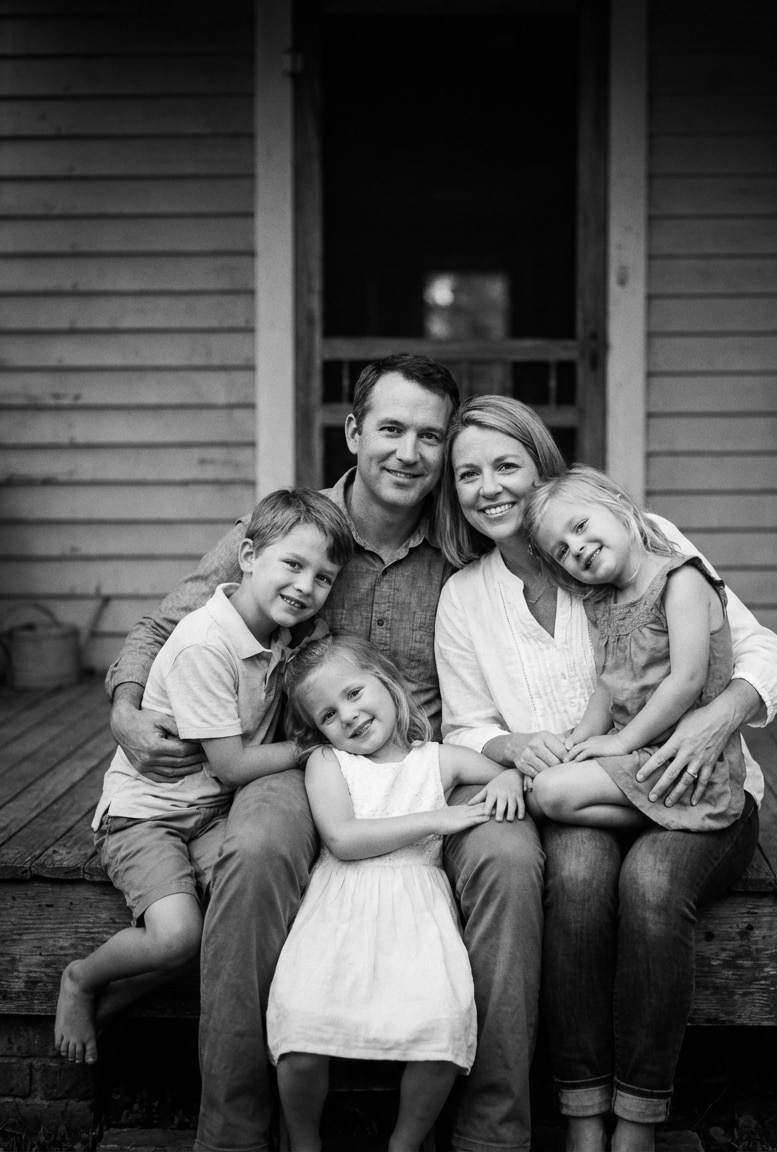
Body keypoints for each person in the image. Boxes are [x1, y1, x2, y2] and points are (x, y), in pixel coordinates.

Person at [105, 354, 545, 1152]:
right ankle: (236, 1131)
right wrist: (127, 707)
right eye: (391, 429)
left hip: (430, 759)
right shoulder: (293, 530)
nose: (409, 452)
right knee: (255, 849)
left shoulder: (461, 538)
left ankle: (490, 1131)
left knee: (511, 861)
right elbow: (167, 623)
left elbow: (565, 549)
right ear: (352, 432)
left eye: (430, 436)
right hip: (303, 756)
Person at [432, 395, 777, 1152]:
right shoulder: (465, 595)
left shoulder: (641, 543)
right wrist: (515, 749)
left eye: (507, 465)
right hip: (589, 793)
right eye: (468, 474)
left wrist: (718, 716)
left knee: (653, 886)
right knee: (578, 883)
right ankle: (582, 1113)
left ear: (542, 467)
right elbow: (468, 724)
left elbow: (761, 650)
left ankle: (639, 1120)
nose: (489, 487)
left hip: (696, 782)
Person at [56, 488, 353, 1067]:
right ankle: (82, 979)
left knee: (249, 910)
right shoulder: (204, 644)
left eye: (323, 578)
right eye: (293, 565)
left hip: (209, 813)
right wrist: (311, 746)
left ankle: (115, 1002)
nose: (305, 586)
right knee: (177, 936)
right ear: (247, 556)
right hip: (146, 817)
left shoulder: (278, 633)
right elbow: (232, 765)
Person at [266, 632, 524, 1152]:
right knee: (302, 1030)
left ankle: (405, 1143)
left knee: (441, 1031)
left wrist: (510, 779)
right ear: (317, 730)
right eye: (329, 715)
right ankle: (303, 1142)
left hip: (418, 917)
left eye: (354, 693)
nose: (349, 716)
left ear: (385, 681)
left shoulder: (438, 760)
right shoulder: (328, 763)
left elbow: (506, 773)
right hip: (339, 913)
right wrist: (437, 818)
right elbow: (343, 839)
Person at [523, 463, 746, 834]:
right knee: (538, 793)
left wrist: (621, 743)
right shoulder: (603, 602)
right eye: (561, 551)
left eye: (580, 526)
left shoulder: (680, 581)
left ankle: (684, 810)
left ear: (618, 506)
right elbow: (607, 685)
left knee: (550, 791)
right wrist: (576, 742)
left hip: (683, 755)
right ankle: (657, 817)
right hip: (636, 752)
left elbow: (687, 679)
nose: (576, 547)